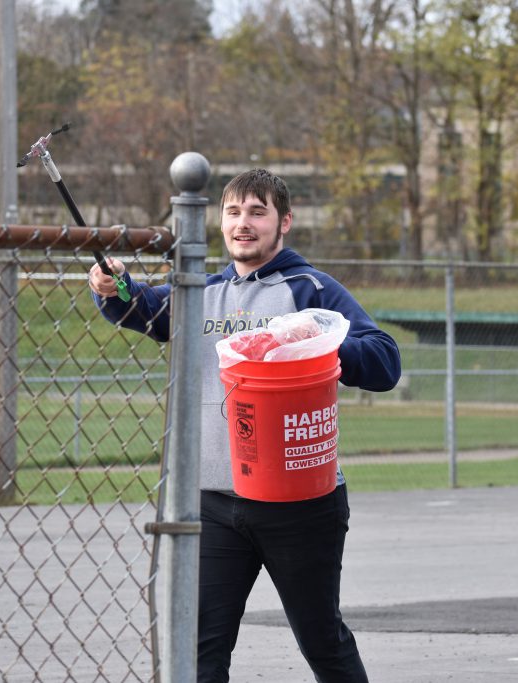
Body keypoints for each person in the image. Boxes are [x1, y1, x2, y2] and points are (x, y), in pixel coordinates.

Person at [89, 168, 401, 682]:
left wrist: (310, 341)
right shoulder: (203, 293)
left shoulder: (309, 289)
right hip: (216, 504)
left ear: (285, 222)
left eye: (258, 211)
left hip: (300, 506)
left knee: (322, 641)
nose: (243, 223)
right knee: (201, 651)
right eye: (233, 212)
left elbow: (385, 362)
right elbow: (143, 305)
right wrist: (111, 284)